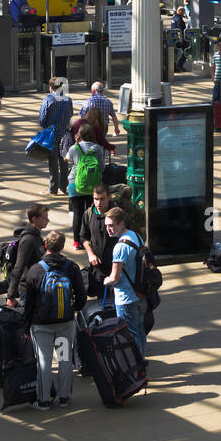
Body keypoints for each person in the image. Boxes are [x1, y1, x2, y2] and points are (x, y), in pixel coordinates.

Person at [20, 230, 86, 410]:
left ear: (45, 245)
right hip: (65, 322)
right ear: (62, 247)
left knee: (44, 361)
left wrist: (26, 327)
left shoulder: (36, 269)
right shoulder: (71, 267)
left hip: (41, 325)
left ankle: (44, 400)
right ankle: (64, 397)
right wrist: (73, 309)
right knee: (64, 359)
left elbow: (29, 303)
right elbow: (81, 296)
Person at [102, 207, 153, 354]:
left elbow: (114, 277)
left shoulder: (120, 247)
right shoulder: (136, 236)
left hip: (126, 298)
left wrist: (106, 281)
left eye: (111, 225)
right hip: (140, 295)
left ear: (121, 224)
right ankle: (141, 361)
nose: (108, 229)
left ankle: (136, 367)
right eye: (106, 226)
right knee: (139, 331)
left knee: (130, 335)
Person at [66, 125, 104, 252]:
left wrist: (75, 144)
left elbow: (66, 159)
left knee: (77, 213)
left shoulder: (74, 148)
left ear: (79, 135)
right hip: (92, 184)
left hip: (74, 183)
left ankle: (76, 242)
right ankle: (90, 239)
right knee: (90, 212)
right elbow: (101, 167)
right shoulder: (98, 148)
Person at [5, 204, 50, 307]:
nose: (48, 220)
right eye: (45, 217)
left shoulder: (36, 236)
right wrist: (10, 296)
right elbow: (18, 267)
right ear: (34, 219)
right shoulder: (28, 240)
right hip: (28, 289)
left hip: (37, 286)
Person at [39, 78, 75, 196]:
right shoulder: (68, 100)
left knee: (53, 162)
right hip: (64, 133)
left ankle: (53, 188)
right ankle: (63, 187)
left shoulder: (48, 100)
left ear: (51, 88)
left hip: (52, 134)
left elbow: (42, 119)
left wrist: (46, 126)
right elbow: (70, 114)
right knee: (64, 161)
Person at [82, 186, 114, 300]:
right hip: (98, 268)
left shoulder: (118, 214)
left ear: (109, 197)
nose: (98, 203)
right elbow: (83, 236)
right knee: (101, 301)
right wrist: (90, 254)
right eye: (96, 199)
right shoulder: (88, 214)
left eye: (102, 199)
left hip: (115, 267)